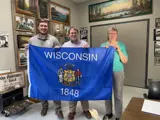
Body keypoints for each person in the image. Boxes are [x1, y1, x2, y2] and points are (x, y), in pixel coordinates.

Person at [26, 18, 64, 119]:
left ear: (47, 27)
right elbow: (30, 55)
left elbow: (61, 53)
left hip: (52, 69)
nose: (44, 27)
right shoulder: (32, 40)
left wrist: (58, 49)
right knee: (42, 88)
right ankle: (44, 106)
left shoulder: (53, 39)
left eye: (45, 26)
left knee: (55, 89)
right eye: (42, 26)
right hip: (39, 70)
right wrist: (27, 49)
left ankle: (58, 109)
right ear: (38, 27)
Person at [62, 27, 92, 120]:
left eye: (75, 33)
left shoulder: (84, 43)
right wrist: (57, 49)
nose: (73, 34)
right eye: (71, 33)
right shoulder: (65, 45)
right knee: (72, 92)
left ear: (77, 34)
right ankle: (72, 111)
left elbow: (91, 56)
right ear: (68, 35)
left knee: (83, 91)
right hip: (69, 72)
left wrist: (87, 50)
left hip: (82, 71)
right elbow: (60, 57)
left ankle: (86, 110)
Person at [100, 27, 128, 120]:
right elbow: (99, 61)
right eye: (110, 33)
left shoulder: (121, 45)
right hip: (106, 72)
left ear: (117, 35)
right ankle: (108, 113)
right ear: (108, 35)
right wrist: (103, 52)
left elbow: (124, 60)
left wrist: (118, 49)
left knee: (118, 95)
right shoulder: (103, 45)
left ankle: (118, 116)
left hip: (118, 71)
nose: (112, 35)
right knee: (107, 93)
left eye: (114, 33)